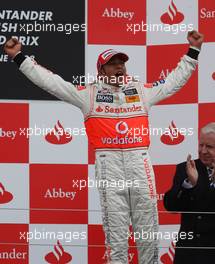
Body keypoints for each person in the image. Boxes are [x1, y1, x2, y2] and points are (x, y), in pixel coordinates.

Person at [4, 30, 204, 264]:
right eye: (113, 64)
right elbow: (52, 82)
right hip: (109, 165)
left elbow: (172, 82)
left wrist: (193, 51)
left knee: (147, 234)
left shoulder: (140, 91)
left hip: (139, 161)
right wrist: (19, 57)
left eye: (122, 63)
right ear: (101, 71)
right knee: (117, 239)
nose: (120, 67)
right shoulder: (88, 94)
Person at [164, 122, 215, 264]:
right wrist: (188, 184)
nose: (203, 151)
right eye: (201, 145)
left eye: (209, 147)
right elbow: (170, 206)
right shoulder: (186, 168)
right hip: (190, 253)